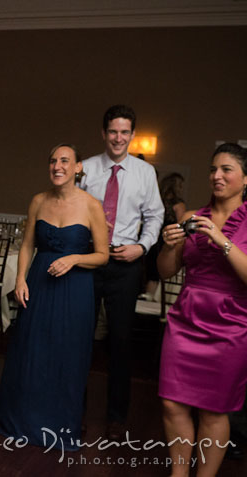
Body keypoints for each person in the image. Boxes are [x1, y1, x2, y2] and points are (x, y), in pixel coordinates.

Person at [0, 144, 108, 450]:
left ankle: (60, 423)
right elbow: (28, 244)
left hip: (75, 289)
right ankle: (23, 419)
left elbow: (103, 255)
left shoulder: (91, 206)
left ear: (78, 167)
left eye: (64, 161)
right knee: (32, 349)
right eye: (53, 161)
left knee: (66, 352)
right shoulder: (38, 201)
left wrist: (74, 259)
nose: (57, 166)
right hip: (39, 283)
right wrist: (20, 278)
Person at [158, 143, 247, 477]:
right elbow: (166, 270)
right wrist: (169, 246)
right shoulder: (191, 217)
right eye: (213, 169)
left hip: (232, 326)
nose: (216, 176)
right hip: (186, 320)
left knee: (214, 410)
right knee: (171, 401)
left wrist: (222, 240)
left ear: (246, 179)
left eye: (226, 169)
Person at [79, 105, 164, 440]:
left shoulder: (145, 173)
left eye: (124, 132)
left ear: (132, 135)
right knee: (82, 338)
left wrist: (141, 247)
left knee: (121, 341)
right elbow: (71, 210)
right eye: (113, 131)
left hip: (125, 265)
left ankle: (116, 417)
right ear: (104, 133)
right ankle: (76, 411)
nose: (118, 138)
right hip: (89, 261)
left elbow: (155, 215)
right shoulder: (84, 169)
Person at [142, 172, 187, 301]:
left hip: (154, 236)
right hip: (168, 240)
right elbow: (181, 226)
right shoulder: (178, 204)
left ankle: (148, 297)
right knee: (162, 271)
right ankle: (157, 300)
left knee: (152, 270)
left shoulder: (157, 200)